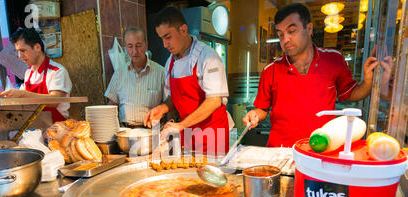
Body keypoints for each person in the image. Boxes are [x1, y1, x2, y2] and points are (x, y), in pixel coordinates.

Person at [242, 3, 379, 148]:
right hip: (280, 151)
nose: (285, 39)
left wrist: (368, 81)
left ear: (309, 29)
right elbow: (263, 109)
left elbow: (351, 94)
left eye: (292, 31)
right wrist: (255, 114)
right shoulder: (271, 70)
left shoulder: (334, 60)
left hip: (322, 148)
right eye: (280, 34)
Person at [143, 6, 230, 155]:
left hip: (213, 137)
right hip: (188, 135)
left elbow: (215, 100)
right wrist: (162, 108)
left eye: (168, 37)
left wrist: (181, 125)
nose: (164, 44)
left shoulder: (208, 57)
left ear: (183, 30)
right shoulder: (170, 63)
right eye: (161, 38)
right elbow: (174, 98)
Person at [1, 28, 72, 123]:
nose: (19, 56)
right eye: (17, 51)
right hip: (35, 127)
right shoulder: (28, 73)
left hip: (57, 127)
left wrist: (22, 94)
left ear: (37, 47)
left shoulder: (57, 71)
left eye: (23, 50)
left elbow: (54, 101)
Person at [105, 26, 166, 128]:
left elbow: (169, 106)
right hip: (125, 133)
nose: (134, 51)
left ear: (146, 45)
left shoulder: (161, 73)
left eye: (138, 46)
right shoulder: (119, 74)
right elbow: (112, 105)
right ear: (125, 48)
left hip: (152, 132)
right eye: (130, 46)